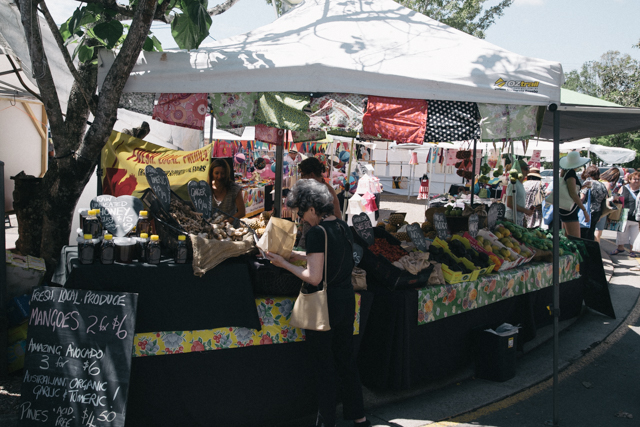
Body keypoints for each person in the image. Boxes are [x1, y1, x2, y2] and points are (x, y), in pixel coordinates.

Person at [265, 179, 370, 427]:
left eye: (301, 213)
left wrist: (285, 264)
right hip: (346, 301)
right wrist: (296, 255)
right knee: (346, 361)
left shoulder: (316, 233)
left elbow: (314, 276)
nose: (301, 219)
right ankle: (360, 417)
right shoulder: (343, 227)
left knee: (324, 367)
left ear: (312, 208)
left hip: (324, 305)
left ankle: (326, 422)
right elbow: (326, 257)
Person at [558, 151, 590, 237]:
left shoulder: (566, 173)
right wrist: (584, 210)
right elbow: (573, 193)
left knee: (566, 239)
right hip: (569, 210)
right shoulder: (571, 173)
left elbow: (571, 190)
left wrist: (582, 187)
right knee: (575, 240)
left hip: (565, 208)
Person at [610, 171, 640, 256]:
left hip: (636, 217)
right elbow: (617, 198)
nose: (637, 181)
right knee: (621, 234)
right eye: (635, 179)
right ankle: (620, 248)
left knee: (635, 235)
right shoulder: (623, 188)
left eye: (639, 179)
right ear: (630, 179)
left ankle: (632, 251)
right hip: (623, 215)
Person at [579, 166, 608, 240]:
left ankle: (584, 250)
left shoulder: (588, 183)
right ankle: (590, 250)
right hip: (597, 212)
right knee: (591, 233)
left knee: (583, 234)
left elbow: (582, 198)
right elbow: (605, 198)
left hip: (586, 212)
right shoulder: (602, 185)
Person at [594, 167, 620, 243]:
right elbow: (604, 198)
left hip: (593, 208)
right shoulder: (607, 184)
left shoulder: (598, 181)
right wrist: (614, 197)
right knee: (598, 232)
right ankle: (596, 251)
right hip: (601, 210)